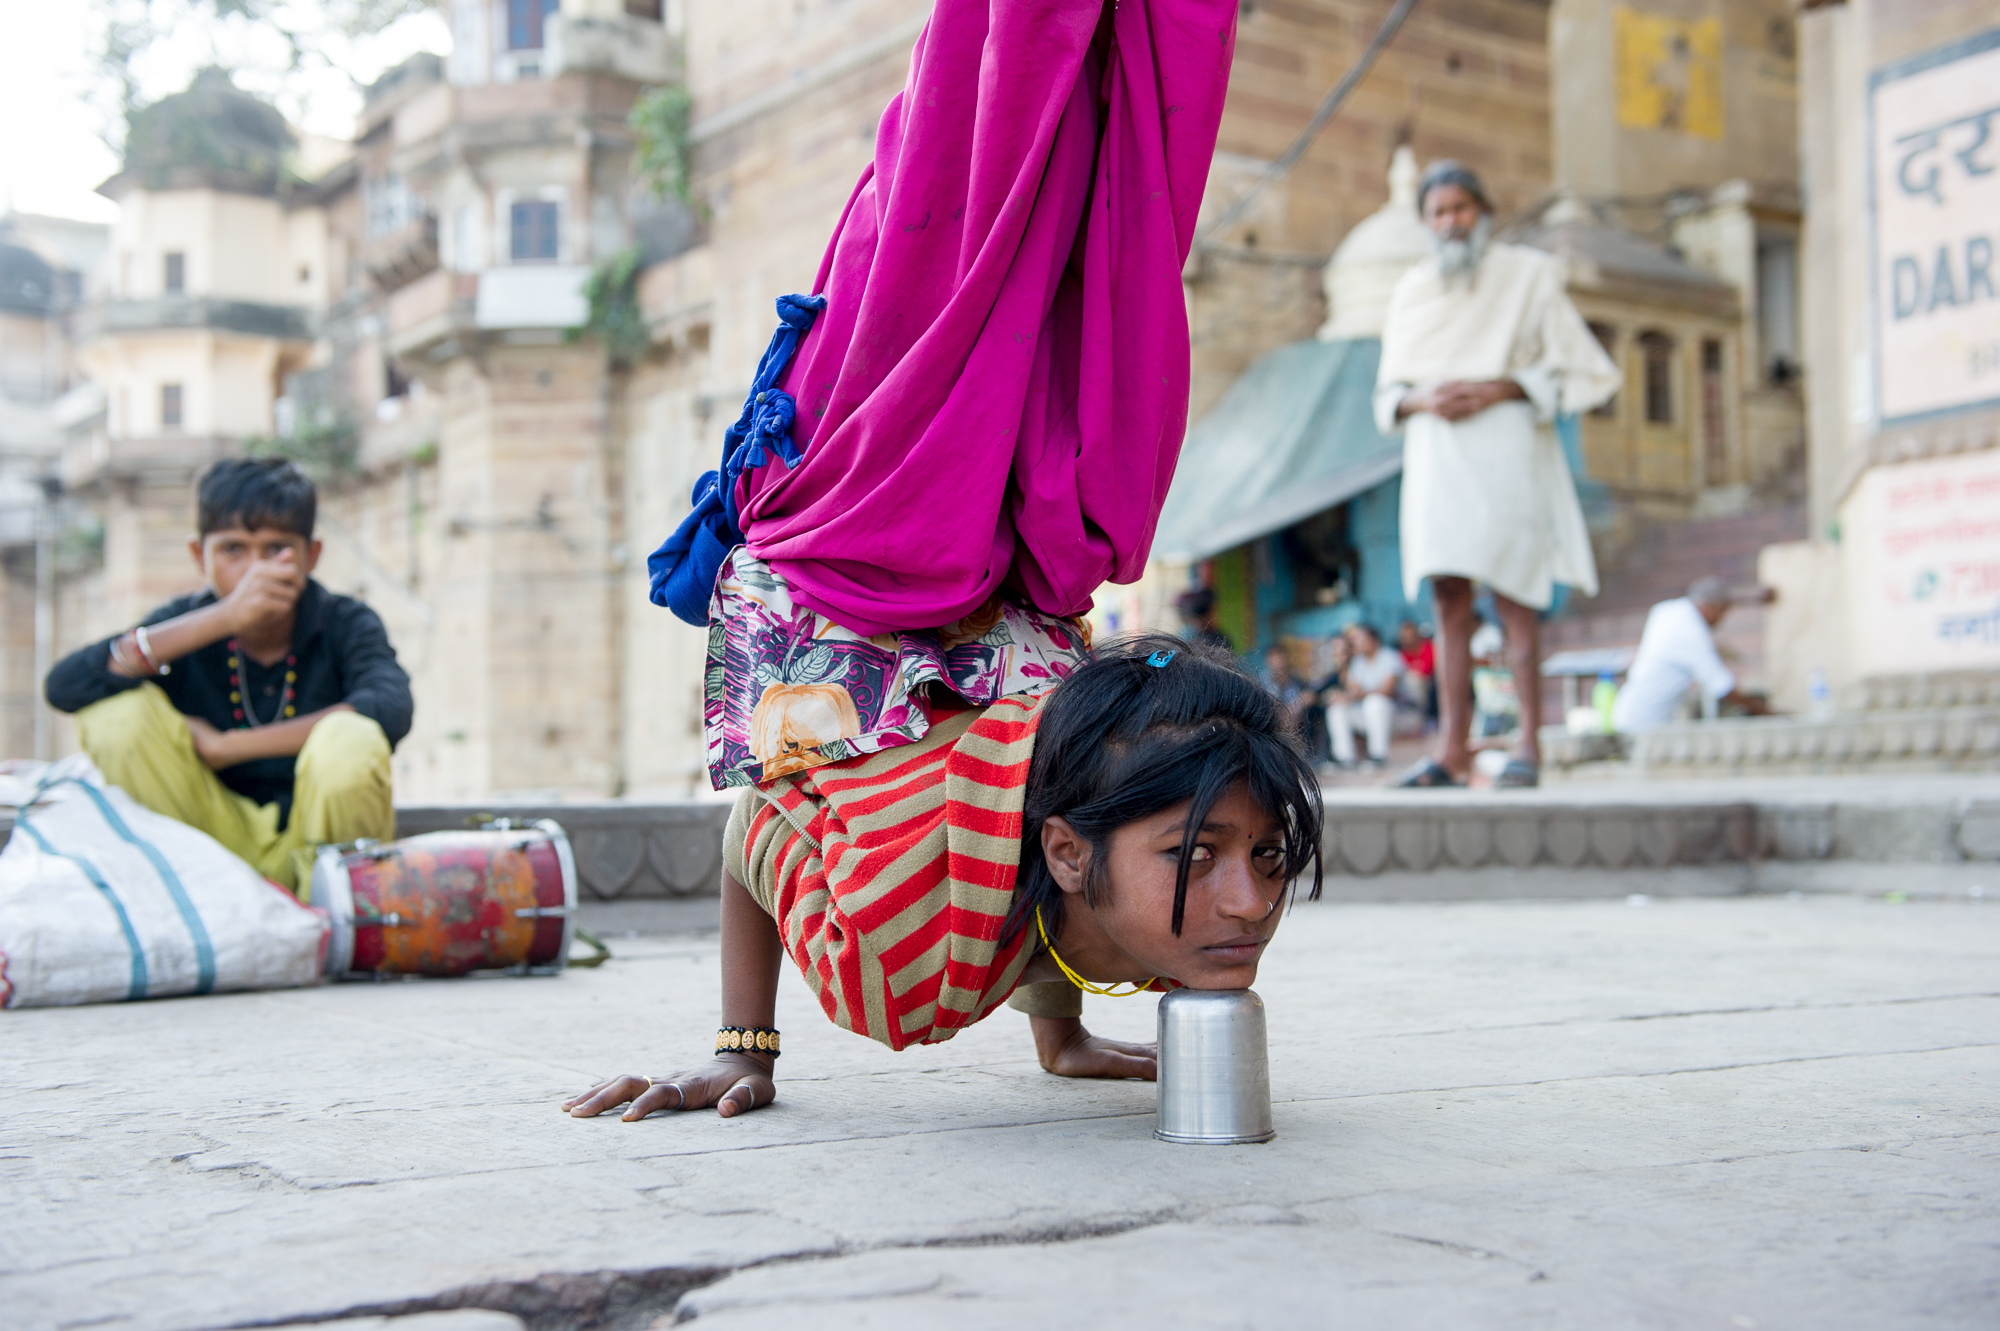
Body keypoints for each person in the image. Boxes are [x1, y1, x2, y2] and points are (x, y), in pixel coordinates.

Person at [561, 636, 1324, 1120]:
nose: (1252, 902)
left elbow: (1047, 892)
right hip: (887, 715)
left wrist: (1061, 1035)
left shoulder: (1144, 880)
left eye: (1267, 854)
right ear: (1065, 854)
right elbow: (754, 819)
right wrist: (743, 1046)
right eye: (1193, 854)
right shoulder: (893, 957)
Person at [43, 457, 412, 893]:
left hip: (317, 849)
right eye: (233, 550)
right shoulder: (185, 624)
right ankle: (183, 906)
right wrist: (225, 617)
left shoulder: (343, 621)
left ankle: (344, 923)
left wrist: (228, 747)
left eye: (276, 550)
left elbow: (389, 707)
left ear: (311, 556)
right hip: (205, 855)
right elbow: (66, 687)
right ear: (200, 556)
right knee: (115, 715)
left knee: (352, 736)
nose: (255, 570)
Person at [1375, 160, 1621, 789]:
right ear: (1426, 223)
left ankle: (1528, 746)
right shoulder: (1410, 290)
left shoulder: (1528, 277)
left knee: (1516, 597)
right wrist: (1423, 400)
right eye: (1438, 212)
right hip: (1437, 451)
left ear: (1482, 212)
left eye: (1461, 208)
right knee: (1447, 600)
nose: (1451, 221)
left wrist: (1499, 387)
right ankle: (1451, 750)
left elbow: (1574, 371)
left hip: (1508, 442)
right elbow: (1388, 396)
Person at [1612, 577, 1771, 733]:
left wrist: (1753, 597)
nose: (1721, 620)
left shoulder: (1669, 611)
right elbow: (1722, 687)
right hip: (1642, 726)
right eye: (1722, 612)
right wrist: (1767, 714)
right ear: (1710, 606)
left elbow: (1719, 596)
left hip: (1626, 713)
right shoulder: (1690, 631)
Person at [1325, 623, 1403, 771]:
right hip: (1368, 716)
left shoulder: (1389, 656)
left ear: (1374, 639)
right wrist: (1342, 696)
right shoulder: (1358, 663)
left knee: (1374, 702)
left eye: (1361, 638)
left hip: (1396, 713)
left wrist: (1358, 694)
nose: (1357, 642)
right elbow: (1353, 691)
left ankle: (1379, 756)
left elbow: (1387, 691)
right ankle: (1344, 758)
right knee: (1337, 709)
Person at [1396, 619, 1435, 718]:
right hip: (1411, 692)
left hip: (1431, 685)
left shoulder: (1430, 647)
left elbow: (1429, 669)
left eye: (1410, 634)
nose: (1408, 638)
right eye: (1405, 635)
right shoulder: (1401, 654)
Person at [1176, 587, 1233, 652]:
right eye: (1214, 610)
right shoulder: (1216, 640)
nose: (1218, 615)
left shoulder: (1186, 636)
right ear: (1208, 613)